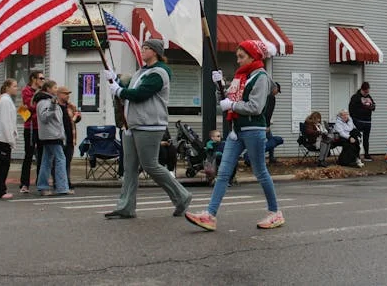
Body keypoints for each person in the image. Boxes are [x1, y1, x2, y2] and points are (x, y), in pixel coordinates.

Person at [186, 39, 284, 232]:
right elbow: (226, 101)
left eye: (241, 56)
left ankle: (275, 212)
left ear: (253, 56)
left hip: (254, 130)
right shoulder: (242, 78)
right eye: (237, 56)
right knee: (223, 173)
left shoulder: (261, 77)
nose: (238, 60)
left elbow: (255, 107)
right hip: (236, 131)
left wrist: (231, 105)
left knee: (260, 172)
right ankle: (210, 215)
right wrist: (219, 86)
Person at [103, 39, 192, 219]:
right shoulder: (141, 72)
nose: (142, 51)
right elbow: (128, 90)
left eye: (146, 48)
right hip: (132, 124)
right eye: (142, 48)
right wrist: (116, 81)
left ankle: (182, 196)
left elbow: (140, 95)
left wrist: (118, 90)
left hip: (149, 125)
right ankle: (126, 207)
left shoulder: (159, 73)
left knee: (150, 165)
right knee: (130, 167)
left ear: (156, 52)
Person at [34, 80, 72, 196]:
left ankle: (43, 186)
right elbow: (44, 117)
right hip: (52, 135)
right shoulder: (45, 102)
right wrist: (52, 106)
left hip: (51, 135)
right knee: (61, 159)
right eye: (55, 87)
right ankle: (62, 187)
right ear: (48, 89)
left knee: (46, 160)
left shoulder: (49, 101)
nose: (57, 89)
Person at [0, 79, 19, 200]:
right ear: (7, 87)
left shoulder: (7, 100)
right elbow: (5, 122)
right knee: (2, 166)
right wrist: (11, 139)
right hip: (3, 139)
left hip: (4, 138)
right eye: (14, 86)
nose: (16, 88)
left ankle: (0, 189)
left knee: (3, 165)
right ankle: (0, 191)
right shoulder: (5, 101)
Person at [19, 70, 44, 194]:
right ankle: (24, 183)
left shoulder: (43, 92)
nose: (42, 81)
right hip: (30, 127)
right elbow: (29, 107)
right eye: (40, 78)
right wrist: (39, 105)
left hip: (41, 128)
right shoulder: (26, 91)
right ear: (34, 79)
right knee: (28, 155)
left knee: (41, 155)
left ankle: (41, 182)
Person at [57, 85, 80, 188]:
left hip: (71, 137)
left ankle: (67, 181)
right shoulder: (56, 106)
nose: (67, 96)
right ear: (59, 94)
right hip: (60, 138)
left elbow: (77, 116)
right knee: (59, 161)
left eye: (68, 94)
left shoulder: (70, 106)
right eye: (65, 94)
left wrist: (77, 117)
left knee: (67, 160)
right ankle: (59, 182)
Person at [349, 82, 376, 161]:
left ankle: (366, 154)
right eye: (365, 92)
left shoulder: (369, 97)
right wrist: (354, 118)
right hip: (358, 121)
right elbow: (351, 109)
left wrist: (371, 106)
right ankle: (356, 154)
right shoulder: (355, 97)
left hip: (367, 121)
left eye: (368, 92)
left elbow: (373, 107)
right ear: (362, 89)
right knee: (357, 138)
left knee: (366, 138)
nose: (366, 93)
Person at [264, 82, 281, 164]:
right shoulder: (271, 97)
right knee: (271, 140)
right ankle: (271, 158)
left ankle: (271, 157)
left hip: (261, 122)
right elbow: (268, 112)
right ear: (274, 88)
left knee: (269, 139)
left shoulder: (265, 96)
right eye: (277, 90)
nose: (277, 93)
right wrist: (267, 125)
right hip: (264, 124)